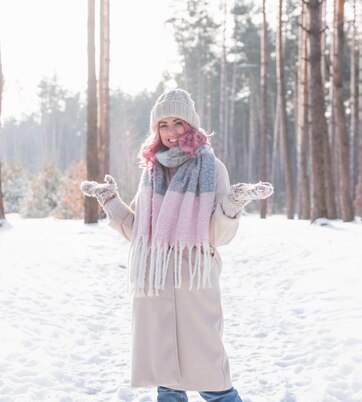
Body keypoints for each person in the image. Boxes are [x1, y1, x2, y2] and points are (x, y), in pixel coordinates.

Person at [81, 88, 273, 402]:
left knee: (213, 382)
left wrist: (233, 203)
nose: (171, 132)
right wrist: (110, 201)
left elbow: (217, 236)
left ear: (191, 126)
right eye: (163, 125)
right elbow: (140, 233)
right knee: (167, 381)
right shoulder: (151, 173)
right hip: (154, 287)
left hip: (193, 283)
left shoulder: (212, 169)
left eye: (178, 123)